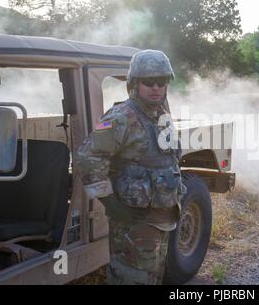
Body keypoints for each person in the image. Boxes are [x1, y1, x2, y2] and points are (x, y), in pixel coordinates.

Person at [75, 50, 185, 285]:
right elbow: (87, 158)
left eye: (162, 82)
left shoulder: (161, 115)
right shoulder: (120, 117)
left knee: (153, 277)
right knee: (130, 279)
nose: (156, 87)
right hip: (133, 223)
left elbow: (169, 159)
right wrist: (110, 203)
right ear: (134, 83)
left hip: (162, 218)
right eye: (148, 82)